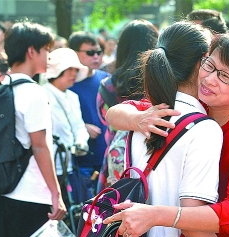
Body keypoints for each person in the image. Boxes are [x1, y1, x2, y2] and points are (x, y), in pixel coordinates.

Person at [105, 31, 229, 237]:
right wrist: (138, 119)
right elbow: (117, 112)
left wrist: (157, 214)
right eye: (209, 66)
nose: (210, 79)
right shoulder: (194, 110)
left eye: (225, 77)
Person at [0, 21, 66, 237]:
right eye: (47, 50)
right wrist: (56, 194)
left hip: (3, 194)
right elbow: (39, 146)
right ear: (31, 51)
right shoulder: (34, 92)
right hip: (34, 196)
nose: (50, 57)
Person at [96, 19, 159, 192]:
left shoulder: (107, 86)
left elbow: (104, 120)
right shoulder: (159, 83)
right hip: (152, 156)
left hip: (117, 159)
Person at [43, 47, 90, 206]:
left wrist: (81, 141)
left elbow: (79, 126)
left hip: (71, 166)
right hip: (50, 168)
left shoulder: (73, 97)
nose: (73, 74)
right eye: (68, 69)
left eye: (75, 69)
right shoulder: (42, 94)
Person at [68, 31, 110, 198]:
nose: (96, 57)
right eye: (90, 53)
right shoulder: (66, 84)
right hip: (81, 160)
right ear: (73, 53)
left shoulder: (107, 80)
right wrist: (82, 127)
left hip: (106, 156)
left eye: (99, 52)